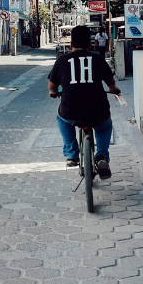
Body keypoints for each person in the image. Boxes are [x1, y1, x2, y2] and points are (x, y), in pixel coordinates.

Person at [48, 24, 121, 179]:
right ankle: (101, 157)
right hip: (98, 109)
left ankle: (72, 155)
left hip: (70, 110)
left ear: (71, 44)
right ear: (90, 44)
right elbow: (110, 82)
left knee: (62, 119)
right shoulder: (98, 58)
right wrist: (114, 89)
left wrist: (54, 94)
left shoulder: (62, 60)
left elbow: (52, 87)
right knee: (104, 125)